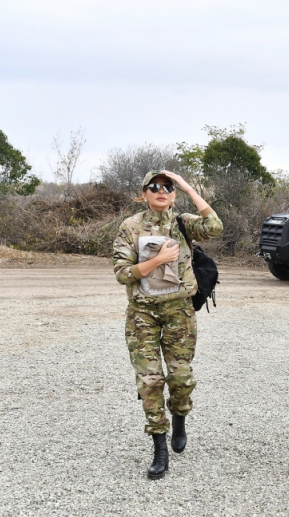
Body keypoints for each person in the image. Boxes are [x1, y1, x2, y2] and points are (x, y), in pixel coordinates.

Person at [113, 170, 223, 480]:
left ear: (173, 194)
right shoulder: (130, 226)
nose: (161, 190)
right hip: (142, 314)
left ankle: (179, 418)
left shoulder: (183, 222)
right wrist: (156, 261)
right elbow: (122, 273)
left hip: (179, 312)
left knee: (181, 378)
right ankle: (159, 448)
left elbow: (214, 226)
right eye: (154, 186)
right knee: (149, 381)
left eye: (168, 187)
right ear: (143, 193)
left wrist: (188, 187)